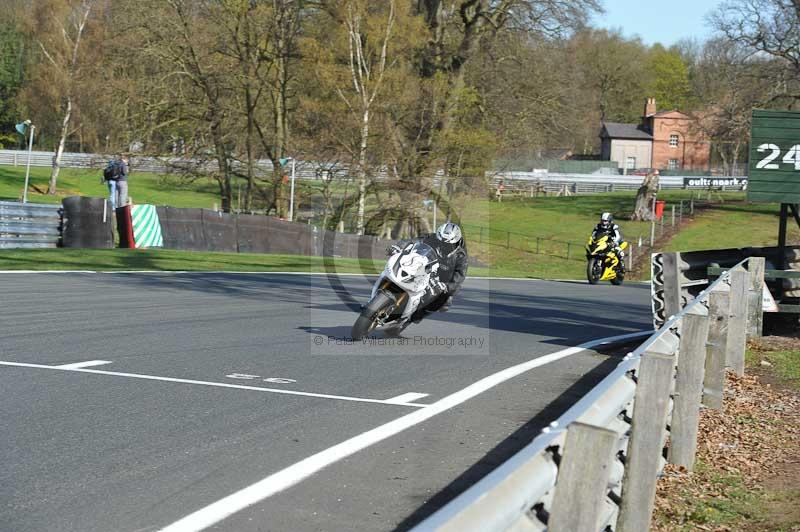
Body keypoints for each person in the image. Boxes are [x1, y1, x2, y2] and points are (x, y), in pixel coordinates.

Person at [389, 222, 468, 323]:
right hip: (424, 267)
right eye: (441, 241)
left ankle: (412, 318)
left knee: (443, 302)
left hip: (441, 281)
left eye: (447, 244)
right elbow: (413, 241)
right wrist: (399, 246)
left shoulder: (461, 256)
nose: (443, 245)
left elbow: (459, 277)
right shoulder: (432, 237)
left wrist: (446, 287)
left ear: (455, 242)